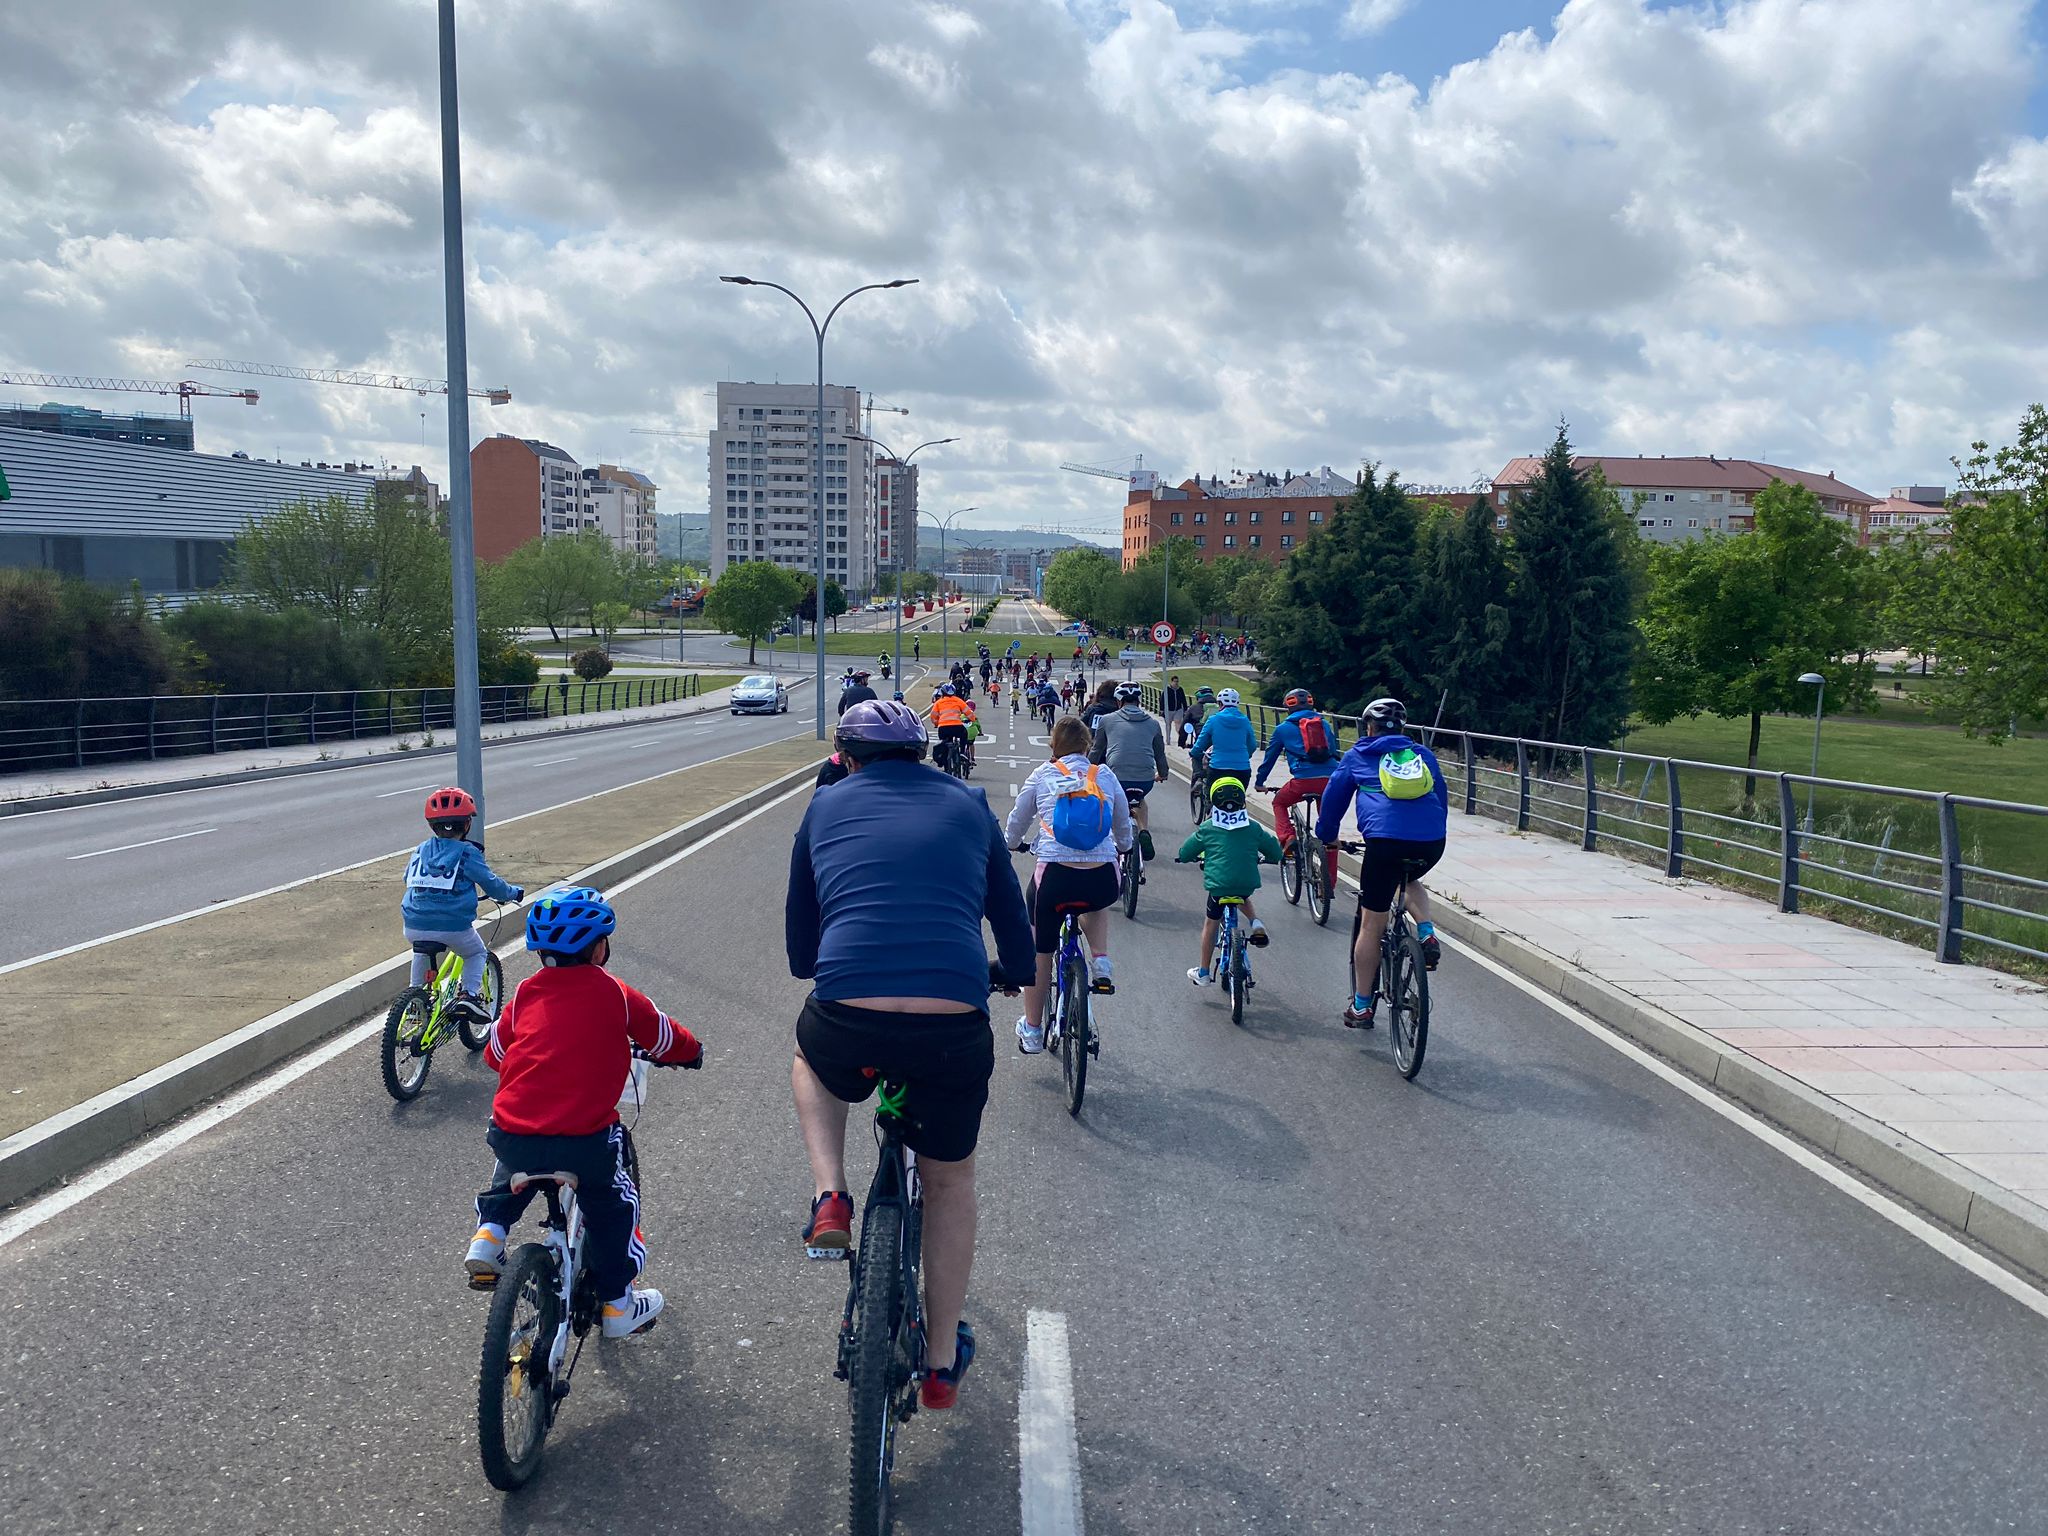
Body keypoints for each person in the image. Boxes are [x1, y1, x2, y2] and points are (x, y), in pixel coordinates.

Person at [785, 700, 1035, 1411]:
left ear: (846, 756)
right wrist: (1013, 970)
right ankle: (938, 1361)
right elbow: (1009, 914)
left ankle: (831, 1193)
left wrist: (820, 964)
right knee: (950, 1182)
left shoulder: (825, 808)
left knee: (810, 1058)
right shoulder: (968, 803)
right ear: (923, 752)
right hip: (950, 1022)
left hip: (847, 1013)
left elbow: (802, 941)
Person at [465, 886, 703, 1340]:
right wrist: (693, 1053)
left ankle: (490, 1234)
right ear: (598, 947)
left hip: (512, 1130)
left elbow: (496, 1051)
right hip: (585, 1140)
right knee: (614, 1206)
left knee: (514, 1164)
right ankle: (618, 1306)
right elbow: (664, 1036)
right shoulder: (614, 993)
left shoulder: (527, 993)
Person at [1314, 697, 1449, 1028]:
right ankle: (1427, 931)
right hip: (1431, 842)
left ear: (1368, 727)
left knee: (1372, 924)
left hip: (1385, 843)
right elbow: (1442, 798)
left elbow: (1332, 802)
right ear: (1402, 728)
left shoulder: (1358, 755)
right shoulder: (1423, 754)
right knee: (1409, 877)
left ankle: (1361, 1007)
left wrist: (1326, 835)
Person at [1003, 715, 1132, 1054]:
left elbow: (1018, 818)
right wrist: (1125, 846)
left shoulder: (1042, 774)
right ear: (1087, 746)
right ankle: (1101, 960)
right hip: (1103, 877)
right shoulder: (1102, 774)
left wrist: (1012, 842)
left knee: (1040, 950)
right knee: (1095, 901)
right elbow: (1122, 822)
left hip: (1055, 879)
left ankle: (1032, 1030)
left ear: (1054, 747)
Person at [402, 788, 523, 1023]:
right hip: (453, 925)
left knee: (420, 950)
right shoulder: (467, 853)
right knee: (476, 952)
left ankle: (414, 1001)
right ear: (467, 825)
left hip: (413, 923)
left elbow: (407, 877)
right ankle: (469, 995)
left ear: (432, 825)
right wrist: (513, 893)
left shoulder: (420, 849)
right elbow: (491, 884)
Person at [1175, 775, 1280, 981]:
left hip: (1219, 887)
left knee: (1210, 923)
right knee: (1242, 896)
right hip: (1245, 884)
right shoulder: (1253, 827)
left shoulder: (1208, 827)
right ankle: (1255, 922)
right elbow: (1275, 852)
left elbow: (1186, 851)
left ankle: (1203, 972)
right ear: (1242, 800)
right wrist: (1269, 858)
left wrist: (1183, 856)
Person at [1254, 687, 1344, 891]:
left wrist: (1260, 782)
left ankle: (1288, 838)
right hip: (1331, 781)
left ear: (1287, 706)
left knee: (1279, 802)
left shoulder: (1282, 729)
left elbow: (1269, 758)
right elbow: (1333, 751)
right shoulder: (1324, 724)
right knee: (1329, 832)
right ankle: (1328, 884)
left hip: (1303, 781)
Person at [1089, 682, 1168, 860]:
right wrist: (1162, 774)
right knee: (1140, 801)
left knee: (1110, 800)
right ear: (1138, 701)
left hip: (1117, 777)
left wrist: (1086, 771)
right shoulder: (1154, 724)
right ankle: (1144, 831)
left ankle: (1110, 840)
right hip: (1145, 779)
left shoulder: (1106, 720)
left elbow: (1096, 750)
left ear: (1119, 701)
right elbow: (1160, 755)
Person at [1190, 687, 1259, 800]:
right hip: (1242, 769)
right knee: (1238, 799)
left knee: (1211, 797)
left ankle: (1209, 807)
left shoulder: (1213, 720)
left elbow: (1200, 744)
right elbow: (1252, 744)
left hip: (1218, 768)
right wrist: (1246, 756)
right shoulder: (1245, 720)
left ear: (1220, 703)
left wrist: (1193, 753)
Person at [931, 684, 973, 774]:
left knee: (945, 744)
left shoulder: (938, 702)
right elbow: (968, 712)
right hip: (957, 727)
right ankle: (962, 752)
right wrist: (972, 719)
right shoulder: (958, 701)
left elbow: (933, 716)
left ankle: (946, 765)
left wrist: (936, 723)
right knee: (964, 734)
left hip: (943, 728)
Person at [1164, 674, 1189, 747]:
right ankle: (1168, 740)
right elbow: (1163, 699)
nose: (1176, 683)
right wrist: (1162, 709)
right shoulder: (1167, 689)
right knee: (1168, 725)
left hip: (1178, 710)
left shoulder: (1180, 689)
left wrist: (1185, 709)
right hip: (1169, 710)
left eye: (1177, 681)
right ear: (1171, 682)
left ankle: (1181, 740)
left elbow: (1183, 699)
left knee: (1178, 724)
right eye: (1175, 681)